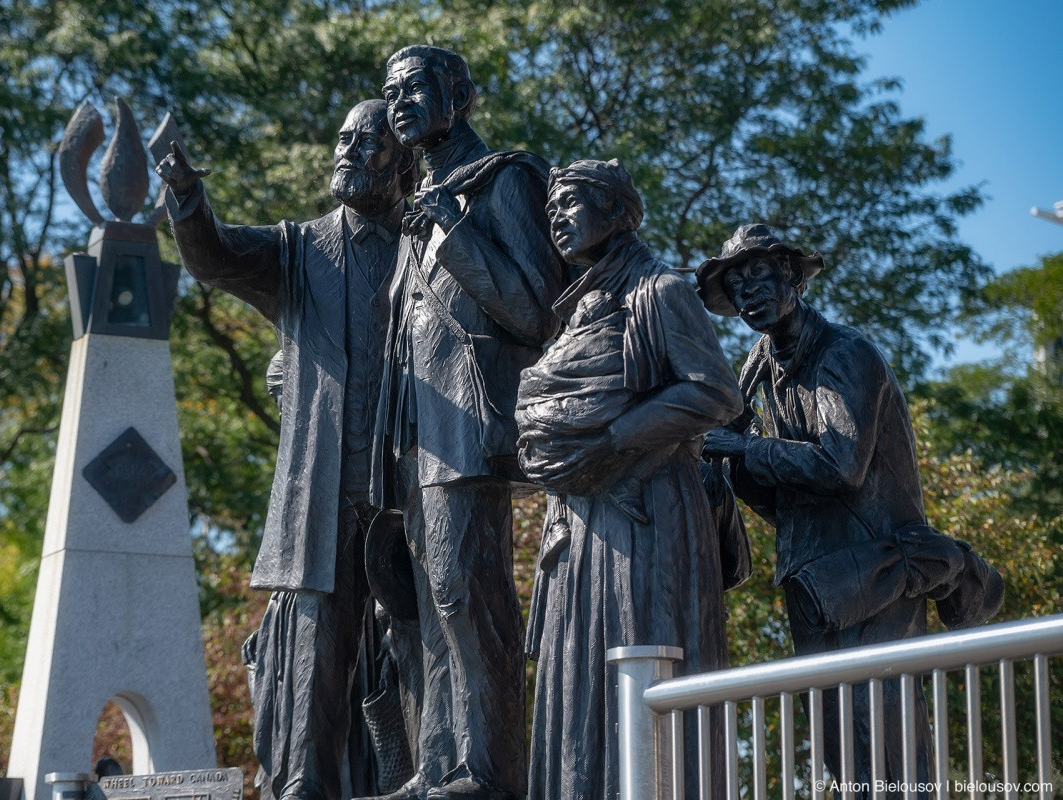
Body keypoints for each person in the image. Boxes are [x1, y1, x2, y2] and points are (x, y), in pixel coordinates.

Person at [157, 99, 418, 800]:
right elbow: (213, 257)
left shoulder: (429, 252)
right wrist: (187, 196)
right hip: (325, 495)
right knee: (313, 661)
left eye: (370, 141)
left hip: (411, 495)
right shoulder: (300, 248)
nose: (349, 150)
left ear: (405, 164)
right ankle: (302, 788)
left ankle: (428, 776)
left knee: (425, 656)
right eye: (344, 139)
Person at [367, 45, 566, 800]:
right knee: (431, 599)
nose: (400, 103)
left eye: (414, 87)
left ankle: (489, 772)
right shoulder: (417, 200)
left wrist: (455, 231)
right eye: (390, 93)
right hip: (418, 429)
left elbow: (535, 308)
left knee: (466, 592)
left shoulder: (506, 179)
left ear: (459, 93)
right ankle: (440, 764)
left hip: (473, 419)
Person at [517, 160, 742, 800]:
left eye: (570, 202)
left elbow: (714, 392)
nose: (555, 216)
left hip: (647, 510)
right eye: (551, 206)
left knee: (643, 656)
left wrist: (610, 441)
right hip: (580, 522)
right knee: (576, 679)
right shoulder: (579, 304)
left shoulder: (659, 291)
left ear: (618, 213)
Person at [697, 223, 934, 796]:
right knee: (838, 747)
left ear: (793, 280)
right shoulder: (761, 367)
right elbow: (787, 505)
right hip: (812, 579)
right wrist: (736, 456)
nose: (748, 292)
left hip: (876, 572)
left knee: (884, 732)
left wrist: (746, 446)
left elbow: (841, 466)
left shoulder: (844, 354)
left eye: (759, 276)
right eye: (736, 284)